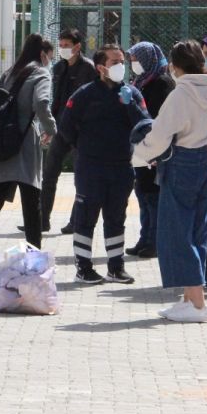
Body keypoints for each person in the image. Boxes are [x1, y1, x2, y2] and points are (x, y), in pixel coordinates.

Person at [132, 41, 207, 323]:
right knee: (198, 229)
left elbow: (160, 135)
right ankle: (189, 299)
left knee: (177, 231)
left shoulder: (180, 94)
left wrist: (139, 156)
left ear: (175, 65)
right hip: (203, 162)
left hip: (181, 162)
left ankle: (196, 304)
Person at [58, 43, 149, 285]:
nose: (122, 66)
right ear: (100, 67)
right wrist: (84, 146)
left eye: (123, 62)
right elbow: (66, 127)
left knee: (116, 217)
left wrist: (129, 104)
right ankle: (83, 267)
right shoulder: (85, 94)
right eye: (115, 62)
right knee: (86, 216)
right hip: (91, 166)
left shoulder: (132, 94)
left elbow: (144, 127)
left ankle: (116, 267)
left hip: (121, 166)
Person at [0, 34, 57, 250]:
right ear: (42, 54)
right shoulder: (41, 73)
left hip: (1, 142)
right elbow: (41, 102)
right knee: (31, 204)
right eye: (50, 57)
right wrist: (50, 128)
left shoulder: (11, 71)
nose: (50, 61)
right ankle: (34, 256)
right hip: (25, 143)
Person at [38, 28, 97, 235]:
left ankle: (75, 221)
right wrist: (50, 127)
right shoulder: (59, 68)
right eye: (61, 46)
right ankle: (42, 220)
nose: (63, 49)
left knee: (80, 178)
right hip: (61, 129)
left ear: (78, 46)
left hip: (82, 132)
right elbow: (57, 101)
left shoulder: (89, 69)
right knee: (50, 174)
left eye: (66, 46)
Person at [125, 41, 174, 258]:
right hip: (141, 147)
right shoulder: (140, 81)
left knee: (152, 196)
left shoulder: (162, 84)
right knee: (143, 194)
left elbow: (152, 117)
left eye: (136, 59)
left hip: (154, 147)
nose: (133, 64)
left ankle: (154, 241)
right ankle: (144, 238)